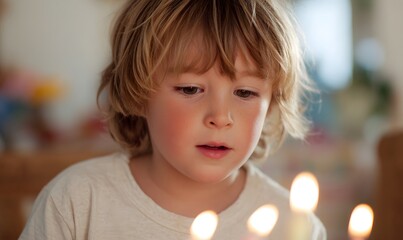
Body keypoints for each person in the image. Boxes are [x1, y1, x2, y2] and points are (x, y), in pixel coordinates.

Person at [20, 0, 326, 239]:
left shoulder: (295, 224)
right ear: (138, 92)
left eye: (245, 93)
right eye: (191, 89)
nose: (220, 117)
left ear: (271, 104)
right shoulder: (76, 202)